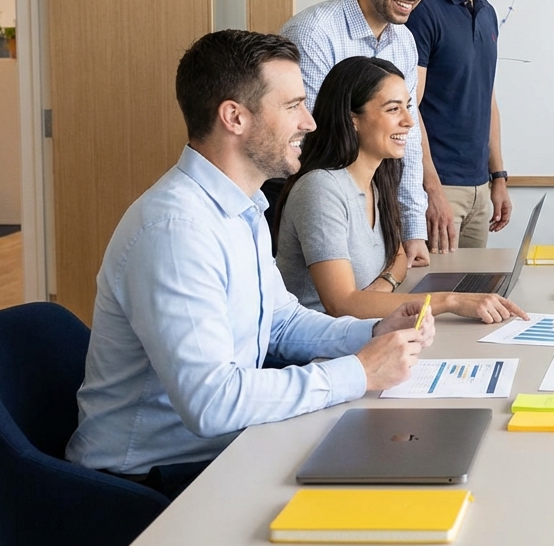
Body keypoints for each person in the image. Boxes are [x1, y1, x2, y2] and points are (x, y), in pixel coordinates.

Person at [66, 31, 437, 499]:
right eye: (293, 106)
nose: (310, 122)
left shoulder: (241, 207)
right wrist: (359, 372)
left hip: (221, 449)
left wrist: (373, 333)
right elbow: (212, 402)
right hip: (152, 484)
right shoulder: (176, 230)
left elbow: (278, 323)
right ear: (235, 117)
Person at [275, 55, 527, 323]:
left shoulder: (375, 179)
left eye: (407, 107)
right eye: (393, 109)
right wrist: (450, 300)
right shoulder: (321, 188)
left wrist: (379, 289)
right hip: (318, 352)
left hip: (364, 333)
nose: (409, 121)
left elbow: (398, 255)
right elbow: (341, 303)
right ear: (352, 120)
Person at [281, 0, 435, 268]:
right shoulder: (314, 33)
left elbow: (407, 138)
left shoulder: (405, 41)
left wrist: (411, 228)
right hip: (321, 202)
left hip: (373, 206)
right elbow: (307, 136)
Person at [406, 0, 512, 252]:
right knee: (433, 300)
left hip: (480, 187)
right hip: (440, 189)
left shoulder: (487, 14)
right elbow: (410, 106)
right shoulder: (422, 8)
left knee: (472, 299)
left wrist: (498, 177)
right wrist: (431, 188)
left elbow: (487, 98)